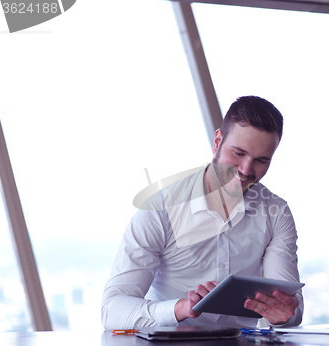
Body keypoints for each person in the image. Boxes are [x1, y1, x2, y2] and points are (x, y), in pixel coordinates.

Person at [101, 96, 303, 330]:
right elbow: (111, 311)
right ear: (217, 141)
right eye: (238, 153)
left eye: (261, 160)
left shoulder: (276, 212)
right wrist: (181, 308)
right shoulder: (159, 209)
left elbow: (290, 308)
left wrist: (284, 313)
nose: (246, 169)